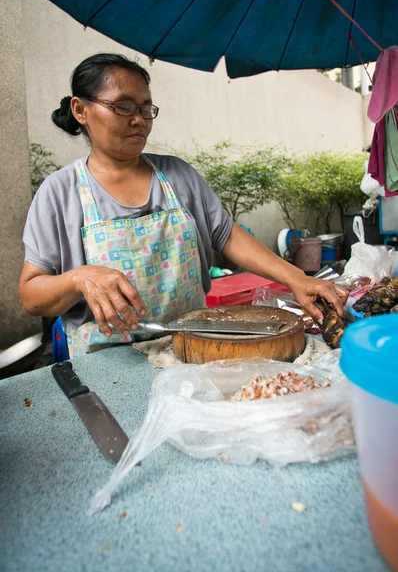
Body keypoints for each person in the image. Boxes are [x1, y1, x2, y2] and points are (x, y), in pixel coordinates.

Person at [20, 53, 348, 359]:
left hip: (190, 348)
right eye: (123, 106)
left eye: (146, 109)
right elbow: (32, 296)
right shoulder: (59, 192)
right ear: (81, 110)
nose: (139, 120)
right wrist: (78, 278)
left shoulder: (176, 176)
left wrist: (296, 277)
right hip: (107, 363)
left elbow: (227, 236)